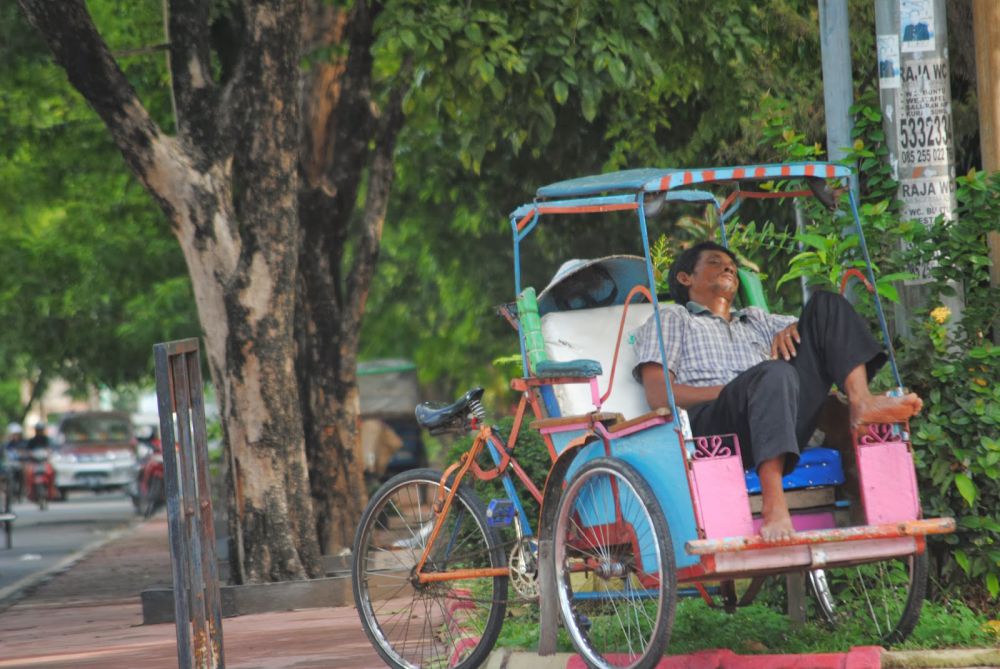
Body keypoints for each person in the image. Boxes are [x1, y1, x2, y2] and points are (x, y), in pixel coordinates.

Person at [632, 241, 922, 542]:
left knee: (826, 304)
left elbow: (817, 333)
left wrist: (792, 328)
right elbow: (659, 395)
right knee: (773, 373)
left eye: (732, 264)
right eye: (716, 262)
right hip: (716, 430)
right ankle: (774, 505)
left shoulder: (758, 320)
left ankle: (861, 403)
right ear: (685, 277)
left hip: (778, 415)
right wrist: (742, 388)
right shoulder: (672, 319)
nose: (729, 267)